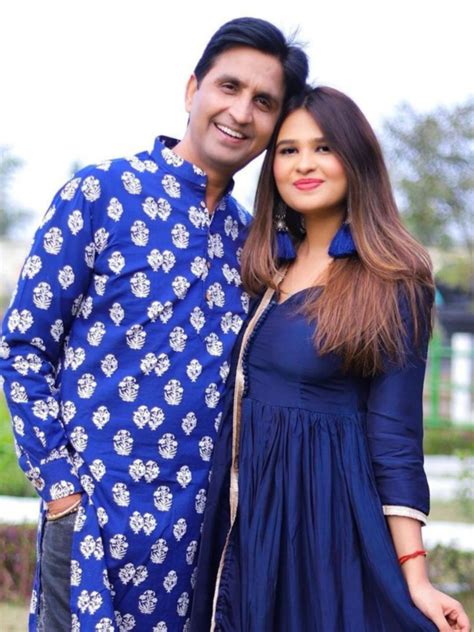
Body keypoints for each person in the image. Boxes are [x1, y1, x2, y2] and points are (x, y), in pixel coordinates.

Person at [0, 18, 308, 631]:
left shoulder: (254, 245)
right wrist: (61, 491)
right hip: (89, 523)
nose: (240, 112)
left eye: (263, 102)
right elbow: (23, 348)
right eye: (229, 87)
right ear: (193, 89)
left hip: (194, 545)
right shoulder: (100, 194)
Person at [190, 86, 471, 631]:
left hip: (325, 519)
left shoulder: (393, 279)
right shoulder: (261, 266)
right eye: (288, 150)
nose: (304, 164)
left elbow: (395, 437)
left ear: (356, 158)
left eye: (323, 148)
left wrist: (416, 575)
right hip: (249, 514)